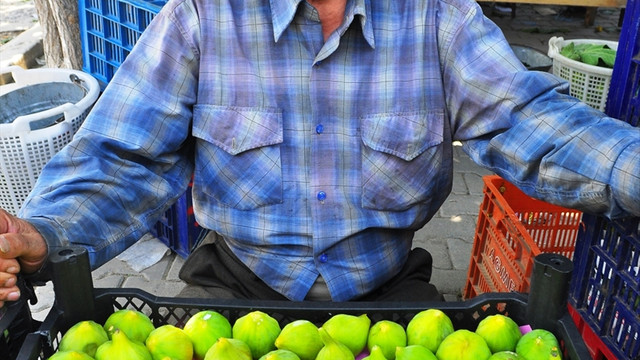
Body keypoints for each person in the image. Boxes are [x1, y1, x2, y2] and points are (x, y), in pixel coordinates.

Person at [0, 0, 638, 306]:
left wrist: (629, 168)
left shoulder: (441, 20)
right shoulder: (200, 18)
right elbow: (121, 160)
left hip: (385, 290)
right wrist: (43, 232)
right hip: (236, 281)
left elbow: (532, 122)